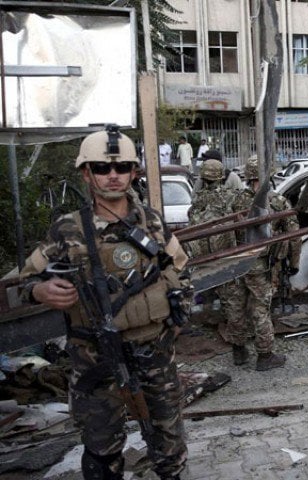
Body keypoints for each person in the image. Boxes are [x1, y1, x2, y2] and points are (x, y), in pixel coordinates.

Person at [19, 126, 190, 480]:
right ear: (86, 173)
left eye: (121, 167)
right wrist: (40, 291)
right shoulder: (68, 230)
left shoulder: (153, 224)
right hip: (96, 358)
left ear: (133, 172)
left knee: (169, 444)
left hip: (155, 355)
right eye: (101, 168)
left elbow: (181, 270)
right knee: (102, 451)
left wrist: (176, 315)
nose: (112, 176)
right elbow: (22, 281)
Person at [221, 155, 301, 371]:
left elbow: (223, 234)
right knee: (260, 309)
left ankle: (239, 351)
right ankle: (265, 356)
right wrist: (294, 263)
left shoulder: (234, 200)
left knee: (235, 307)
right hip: (261, 265)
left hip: (235, 264)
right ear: (270, 176)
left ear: (248, 176)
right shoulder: (277, 201)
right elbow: (294, 235)